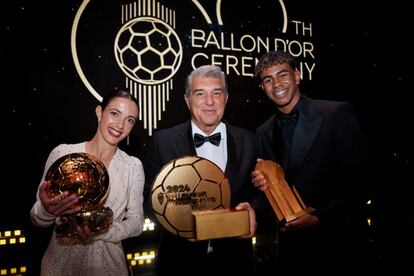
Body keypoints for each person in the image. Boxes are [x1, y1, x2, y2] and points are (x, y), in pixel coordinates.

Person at [251, 51, 370, 272]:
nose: (276, 84)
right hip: (290, 250)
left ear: (297, 76)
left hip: (337, 242)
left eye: (282, 75)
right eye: (268, 80)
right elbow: (272, 189)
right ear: (263, 88)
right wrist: (262, 184)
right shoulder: (262, 132)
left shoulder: (335, 113)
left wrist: (318, 218)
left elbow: (361, 182)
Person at [144, 65, 259, 275]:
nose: (209, 102)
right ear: (187, 100)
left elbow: (262, 193)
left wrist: (253, 210)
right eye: (200, 94)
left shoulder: (251, 141)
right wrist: (177, 223)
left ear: (226, 98)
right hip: (179, 261)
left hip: (235, 260)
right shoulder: (163, 141)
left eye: (216, 93)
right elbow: (148, 201)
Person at [30, 89, 145, 276]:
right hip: (58, 266)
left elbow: (137, 222)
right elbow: (37, 218)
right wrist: (46, 210)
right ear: (100, 112)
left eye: (130, 120)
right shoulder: (63, 154)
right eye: (115, 114)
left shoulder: (132, 166)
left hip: (110, 267)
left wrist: (103, 231)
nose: (120, 125)